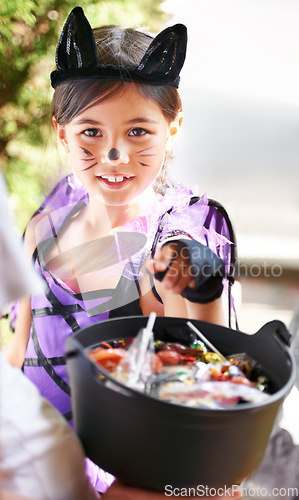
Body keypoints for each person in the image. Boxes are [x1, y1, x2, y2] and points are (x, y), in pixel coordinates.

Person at [5, 6, 236, 495]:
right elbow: (17, 356)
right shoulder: (43, 231)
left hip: (127, 481)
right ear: (62, 131)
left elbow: (206, 424)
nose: (115, 156)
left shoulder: (171, 248)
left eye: (138, 131)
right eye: (92, 131)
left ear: (171, 128)